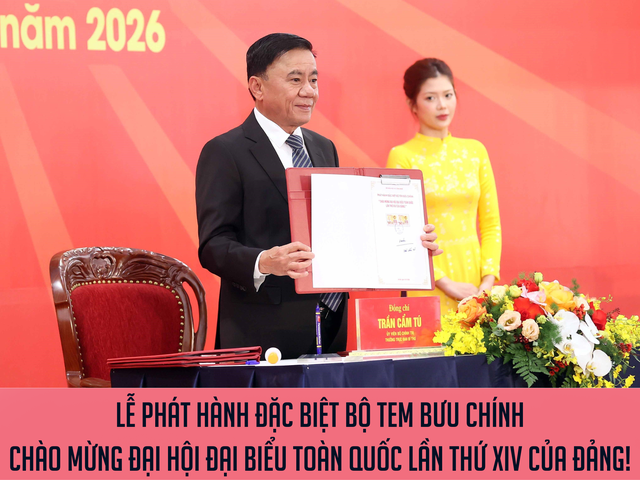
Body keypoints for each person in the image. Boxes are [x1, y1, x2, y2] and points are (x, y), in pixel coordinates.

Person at [196, 34, 441, 358]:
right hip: (263, 331)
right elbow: (213, 246)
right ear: (257, 87)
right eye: (295, 79)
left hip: (331, 323)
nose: (309, 91)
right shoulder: (225, 151)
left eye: (313, 79)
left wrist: (407, 242)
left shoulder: (324, 147)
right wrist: (264, 261)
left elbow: (339, 230)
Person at [386, 58, 501, 315]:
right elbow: (400, 232)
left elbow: (491, 224)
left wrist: (487, 282)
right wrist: (446, 283)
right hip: (427, 282)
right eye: (430, 98)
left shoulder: (475, 152)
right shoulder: (403, 157)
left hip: (475, 285)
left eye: (448, 95)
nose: (442, 105)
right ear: (412, 104)